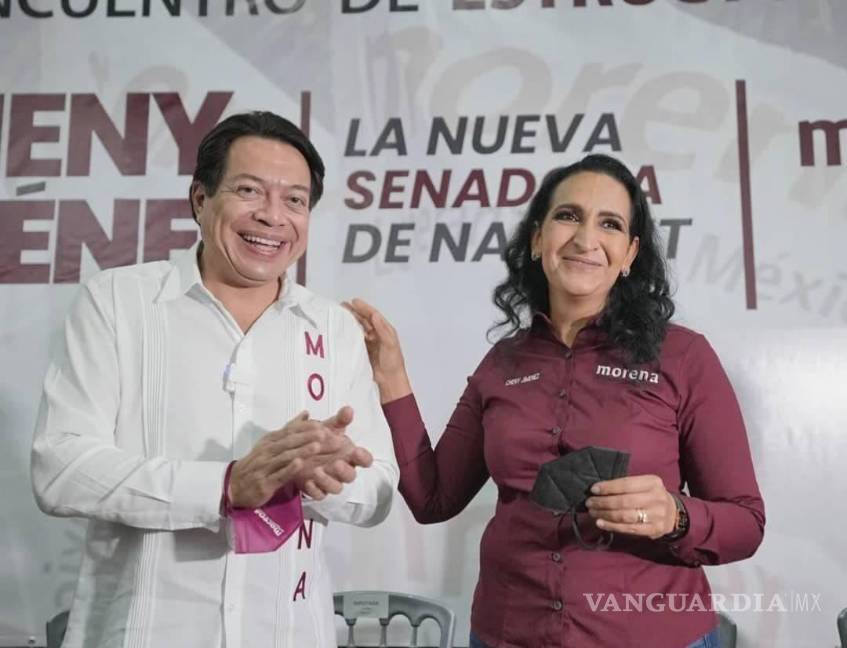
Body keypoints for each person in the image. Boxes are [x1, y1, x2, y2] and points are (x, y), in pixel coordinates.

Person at [346, 154, 765, 648]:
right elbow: (432, 498)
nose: (586, 239)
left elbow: (746, 522)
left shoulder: (684, 355)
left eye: (610, 224)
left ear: (630, 254)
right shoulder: (502, 363)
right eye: (568, 216)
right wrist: (391, 374)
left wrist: (676, 516)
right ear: (537, 238)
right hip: (509, 633)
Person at [31, 111, 398, 648]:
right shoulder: (117, 302)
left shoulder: (333, 327)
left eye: (295, 200)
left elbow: (379, 489)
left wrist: (317, 477)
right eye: (249, 191)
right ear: (200, 199)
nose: (272, 216)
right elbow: (60, 469)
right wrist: (225, 486)